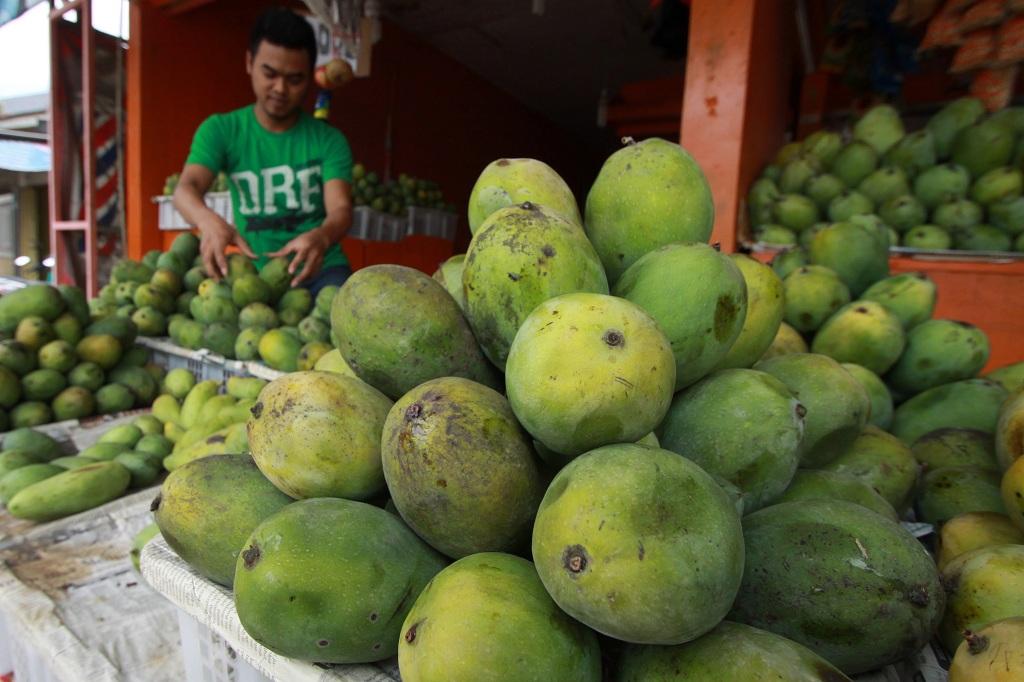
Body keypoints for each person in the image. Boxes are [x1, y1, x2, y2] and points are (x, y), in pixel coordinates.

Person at [173, 6, 353, 295]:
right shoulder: (221, 129)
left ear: (310, 77)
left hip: (322, 269)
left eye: (295, 79)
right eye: (269, 73)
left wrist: (321, 236)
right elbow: (185, 189)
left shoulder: (329, 140)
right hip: (253, 275)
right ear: (249, 62)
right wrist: (208, 222)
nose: (280, 88)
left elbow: (341, 210)